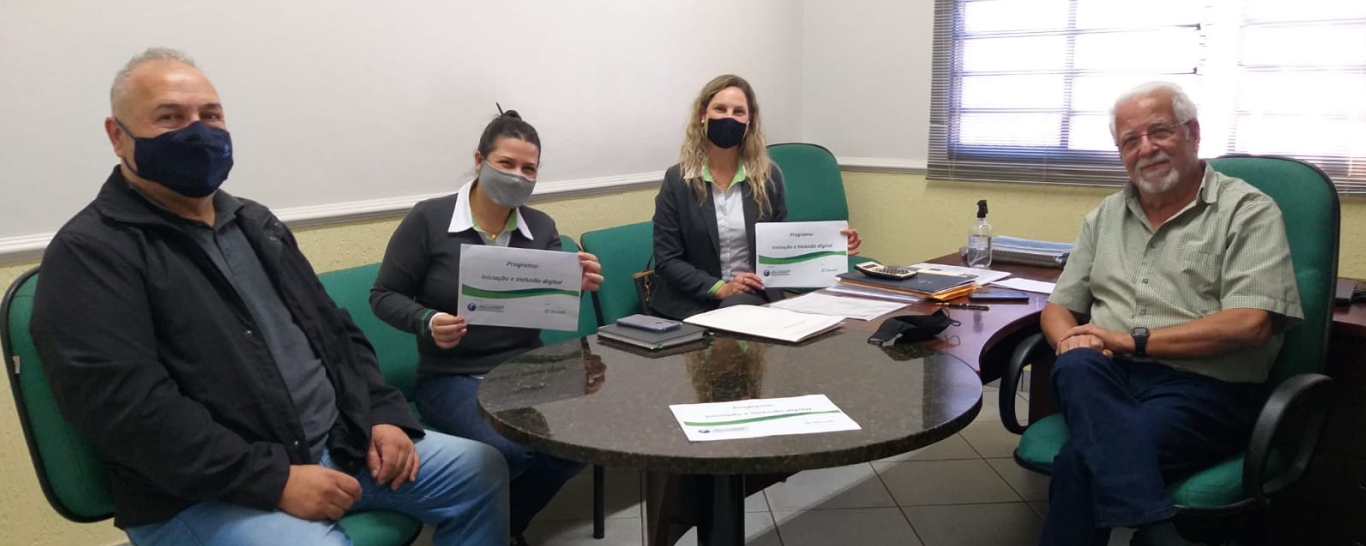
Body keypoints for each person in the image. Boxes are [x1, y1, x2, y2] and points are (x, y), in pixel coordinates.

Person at [30, 48, 509, 546]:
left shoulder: (256, 223)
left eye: (210, 116)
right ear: (117, 135)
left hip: (337, 444)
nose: (198, 131)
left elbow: (336, 333)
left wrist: (382, 415)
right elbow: (128, 411)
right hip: (204, 491)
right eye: (169, 117)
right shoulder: (90, 253)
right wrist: (274, 480)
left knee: (480, 470)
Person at [1038, 81, 1303, 546]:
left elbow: (1251, 323)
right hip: (1106, 376)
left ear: (1192, 133)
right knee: (1076, 362)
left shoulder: (1247, 211)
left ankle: (1155, 529)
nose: (1146, 149)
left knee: (1080, 462)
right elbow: (1059, 306)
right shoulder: (1104, 217)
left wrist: (1129, 340)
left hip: (1203, 388)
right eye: (1130, 140)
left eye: (1159, 131)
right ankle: (1157, 528)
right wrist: (1069, 340)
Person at [369, 110, 604, 545]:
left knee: (577, 443)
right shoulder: (429, 219)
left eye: (529, 169)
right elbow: (383, 295)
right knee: (510, 450)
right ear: (479, 160)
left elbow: (548, 302)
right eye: (506, 163)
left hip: (526, 369)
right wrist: (426, 321)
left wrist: (576, 284)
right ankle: (492, 526)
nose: (517, 176)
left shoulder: (541, 226)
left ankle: (503, 527)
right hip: (450, 375)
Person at [649, 74, 861, 320]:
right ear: (703, 115)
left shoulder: (768, 178)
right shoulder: (678, 180)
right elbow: (667, 260)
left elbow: (780, 249)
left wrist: (832, 249)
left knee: (739, 309)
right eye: (720, 109)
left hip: (751, 295)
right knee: (732, 312)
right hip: (691, 301)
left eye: (738, 112)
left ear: (749, 121)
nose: (729, 117)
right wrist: (721, 288)